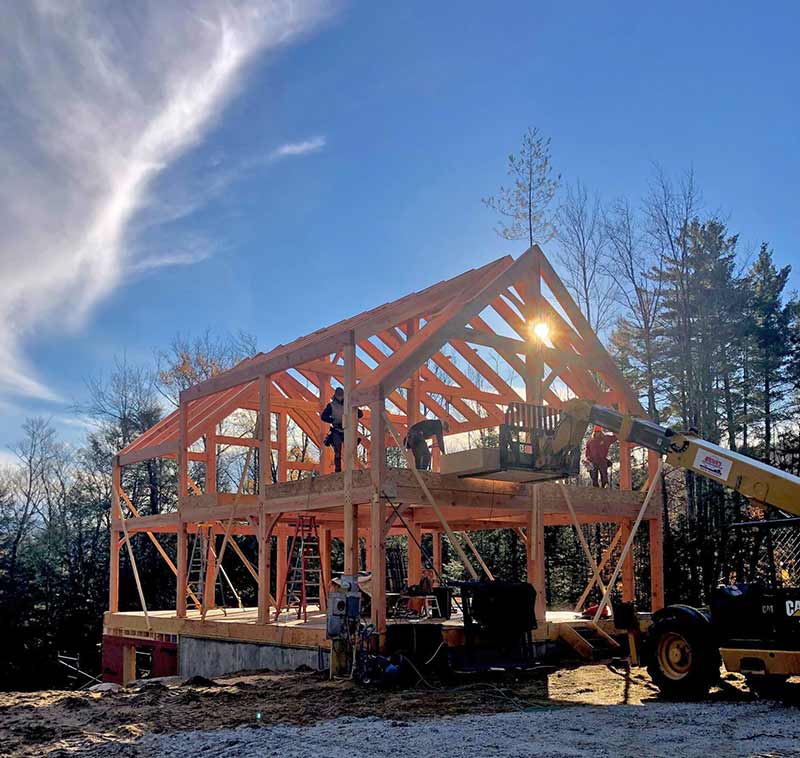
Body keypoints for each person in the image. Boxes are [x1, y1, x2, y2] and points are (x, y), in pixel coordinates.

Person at [320, 387, 363, 472]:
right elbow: (323, 417)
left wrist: (354, 413)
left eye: (341, 396)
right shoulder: (331, 405)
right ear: (335, 395)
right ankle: (338, 470)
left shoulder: (348, 404)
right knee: (337, 451)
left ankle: (351, 469)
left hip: (348, 429)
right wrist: (332, 420)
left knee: (350, 450)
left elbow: (360, 414)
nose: (340, 397)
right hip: (337, 429)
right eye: (339, 396)